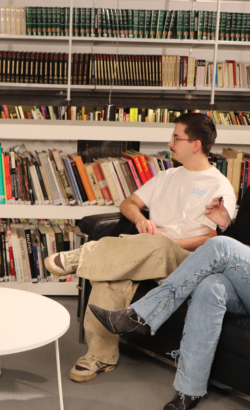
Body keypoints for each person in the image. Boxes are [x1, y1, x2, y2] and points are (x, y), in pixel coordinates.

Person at [89, 122, 250, 410]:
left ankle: (140, 316)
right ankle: (188, 390)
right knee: (210, 286)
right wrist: (225, 223)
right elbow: (243, 241)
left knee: (218, 245)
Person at [44, 113, 236, 382]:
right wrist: (140, 219)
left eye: (176, 138)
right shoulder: (167, 176)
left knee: (160, 243)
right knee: (109, 277)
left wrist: (166, 243)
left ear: (196, 145)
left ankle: (81, 257)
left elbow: (211, 239)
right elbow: (128, 203)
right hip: (148, 250)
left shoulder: (219, 186)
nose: (170, 143)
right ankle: (101, 356)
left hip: (186, 260)